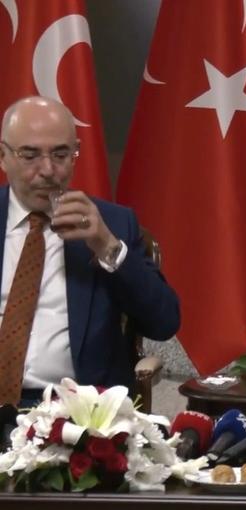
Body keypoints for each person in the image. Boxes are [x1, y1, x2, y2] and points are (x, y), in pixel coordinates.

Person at [0, 96, 180, 408]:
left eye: (60, 154)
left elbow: (164, 323)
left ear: (75, 154)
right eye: (30, 155)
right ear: (3, 157)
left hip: (78, 412)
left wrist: (107, 246)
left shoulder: (112, 223)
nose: (48, 170)